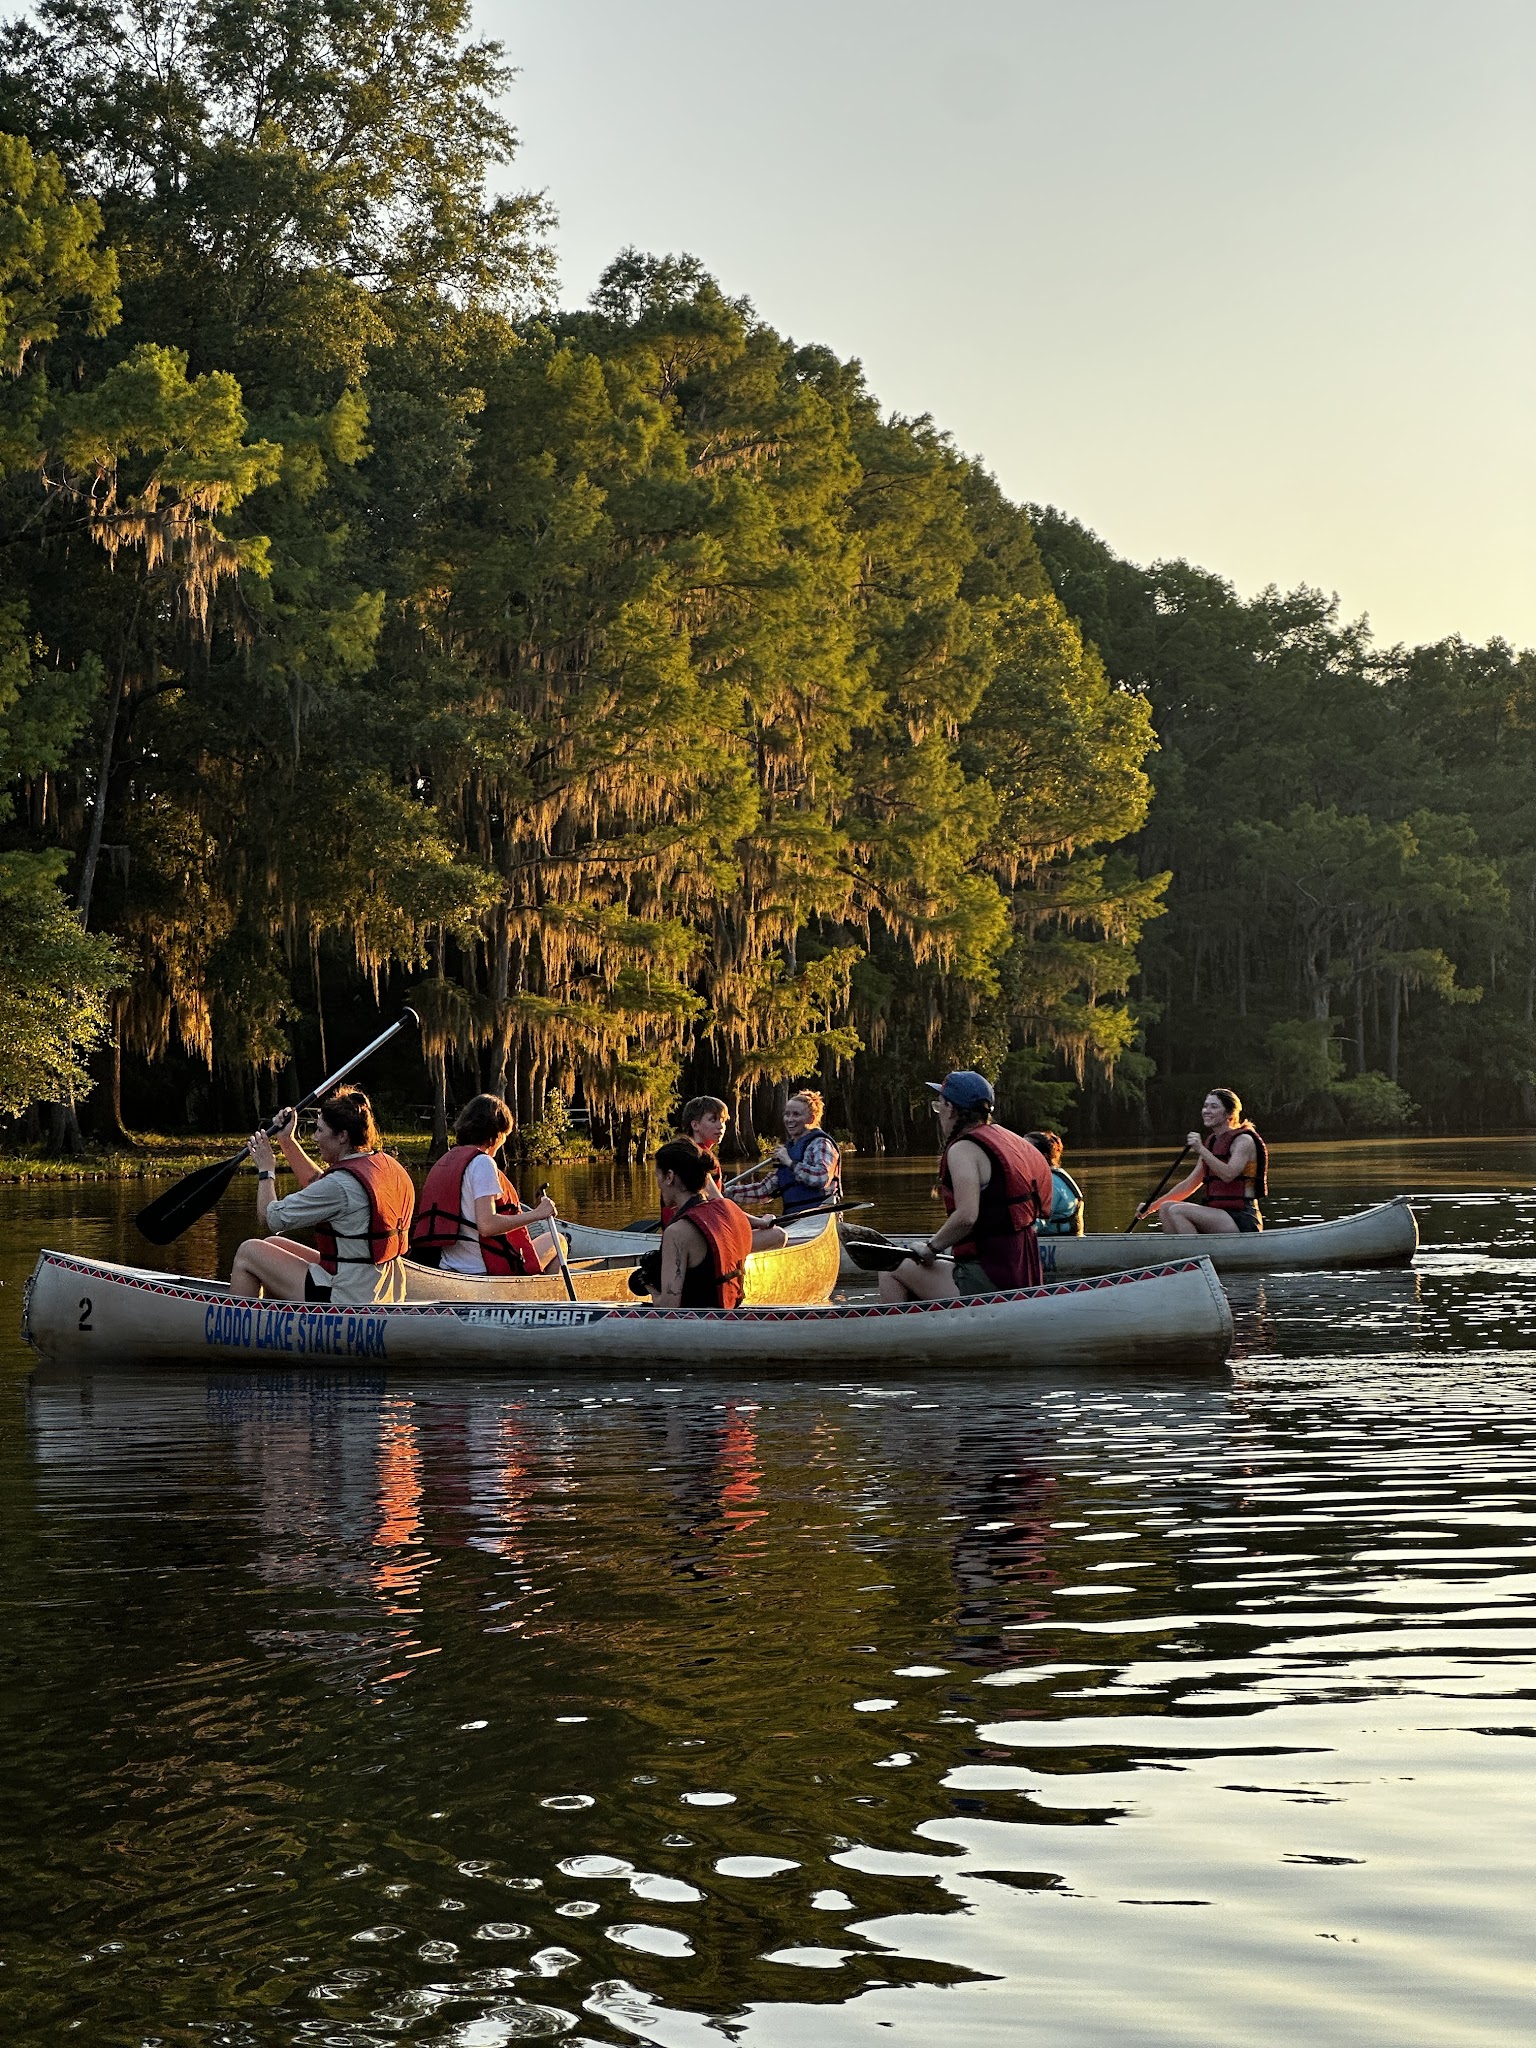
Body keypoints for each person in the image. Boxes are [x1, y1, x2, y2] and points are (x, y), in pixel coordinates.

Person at [878, 1070, 1054, 1303]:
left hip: (992, 1275)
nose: (939, 1113)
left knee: (889, 1267)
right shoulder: (1008, 1139)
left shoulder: (963, 1149)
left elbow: (967, 1217)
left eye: (939, 1105)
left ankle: (900, 1327)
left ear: (950, 1108)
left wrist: (931, 1248)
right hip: (1023, 1269)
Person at [230, 1089, 415, 1303]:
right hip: (381, 1287)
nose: (315, 1137)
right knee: (274, 1244)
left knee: (248, 1252)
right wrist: (286, 1140)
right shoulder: (387, 1166)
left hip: (349, 1297)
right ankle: (280, 1318)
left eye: (319, 1130)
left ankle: (241, 1321)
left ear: (342, 1136)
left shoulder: (341, 1185)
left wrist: (266, 1170)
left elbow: (269, 1217)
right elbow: (320, 1184)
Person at [409, 1092, 560, 1274]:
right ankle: (544, 1291)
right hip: (482, 1269)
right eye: (505, 1134)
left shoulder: (446, 1160)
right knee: (558, 1240)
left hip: (447, 1265)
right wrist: (538, 1214)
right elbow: (487, 1226)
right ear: (496, 1133)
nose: (504, 1141)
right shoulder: (483, 1163)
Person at [1137, 1087, 1268, 1234]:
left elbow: (1228, 1175)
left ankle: (1193, 1248)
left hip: (1242, 1217)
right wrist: (1152, 1207)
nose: (1207, 1111)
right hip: (1219, 1216)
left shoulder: (1243, 1140)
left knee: (1177, 1211)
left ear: (1229, 1114)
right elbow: (1189, 1185)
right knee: (1166, 1208)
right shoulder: (1211, 1142)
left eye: (1214, 1107)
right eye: (1205, 1106)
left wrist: (1200, 1149)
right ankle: (1178, 1247)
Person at [652, 1138, 761, 1308]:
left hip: (697, 1321)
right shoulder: (731, 1210)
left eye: (658, 1175)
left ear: (670, 1177)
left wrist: (650, 1287)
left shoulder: (677, 1233)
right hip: (731, 1311)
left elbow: (668, 1306)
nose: (658, 1183)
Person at [735, 1089, 842, 1219]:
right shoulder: (788, 1150)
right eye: (787, 1114)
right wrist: (724, 1192)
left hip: (821, 1217)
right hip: (795, 1218)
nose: (790, 1119)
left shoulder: (821, 1144)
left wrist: (790, 1163)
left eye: (796, 1114)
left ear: (811, 1119)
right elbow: (764, 1190)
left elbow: (821, 1178)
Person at [659, 1095, 729, 1226]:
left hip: (699, 1226)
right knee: (772, 1233)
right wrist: (759, 1221)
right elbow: (719, 1203)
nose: (721, 1126)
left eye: (723, 1121)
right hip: (688, 1231)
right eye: (713, 1120)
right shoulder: (695, 1157)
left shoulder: (700, 1154)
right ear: (695, 1125)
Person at [1027, 1129, 1085, 1236]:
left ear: (1043, 1156)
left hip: (1060, 1240)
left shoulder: (1051, 1183)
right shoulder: (1050, 1176)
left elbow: (1039, 1222)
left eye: (1027, 1150)